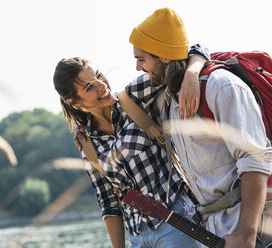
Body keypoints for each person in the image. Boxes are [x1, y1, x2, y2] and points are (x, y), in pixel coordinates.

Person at [128, 7, 272, 248]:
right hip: (213, 231)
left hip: (254, 228)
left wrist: (246, 234)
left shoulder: (221, 87)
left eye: (142, 59)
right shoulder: (167, 100)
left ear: (164, 56)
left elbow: (255, 160)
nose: (138, 68)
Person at [53, 44, 209, 248]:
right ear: (74, 102)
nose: (101, 85)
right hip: (137, 238)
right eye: (90, 87)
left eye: (99, 75)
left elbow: (191, 52)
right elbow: (109, 204)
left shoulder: (134, 97)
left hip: (178, 222)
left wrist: (191, 74)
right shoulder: (88, 146)